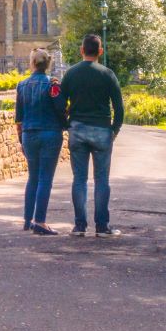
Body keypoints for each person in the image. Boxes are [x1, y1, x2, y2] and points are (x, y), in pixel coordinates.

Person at [58, 33, 124, 237]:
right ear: (100, 52)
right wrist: (114, 130)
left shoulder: (70, 74)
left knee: (79, 179)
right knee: (102, 180)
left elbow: (60, 104)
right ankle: (102, 227)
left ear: (82, 50)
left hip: (78, 129)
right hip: (102, 129)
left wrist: (66, 124)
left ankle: (79, 226)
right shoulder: (107, 74)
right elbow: (119, 107)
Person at [13, 48, 64, 235]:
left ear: (32, 63)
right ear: (48, 64)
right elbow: (61, 108)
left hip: (29, 134)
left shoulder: (22, 85)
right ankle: (40, 222)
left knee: (32, 177)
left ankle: (27, 220)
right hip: (50, 134)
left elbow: (18, 117)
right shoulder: (53, 85)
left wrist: (21, 140)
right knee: (45, 179)